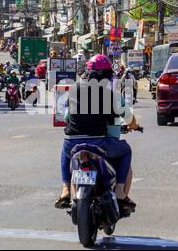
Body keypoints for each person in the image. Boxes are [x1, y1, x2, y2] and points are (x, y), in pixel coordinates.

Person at [56, 54, 140, 211]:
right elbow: (130, 120)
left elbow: (66, 116)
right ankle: (120, 192)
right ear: (108, 75)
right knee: (126, 150)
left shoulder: (74, 90)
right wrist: (134, 126)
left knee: (65, 150)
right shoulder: (111, 96)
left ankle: (65, 189)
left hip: (72, 142)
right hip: (98, 143)